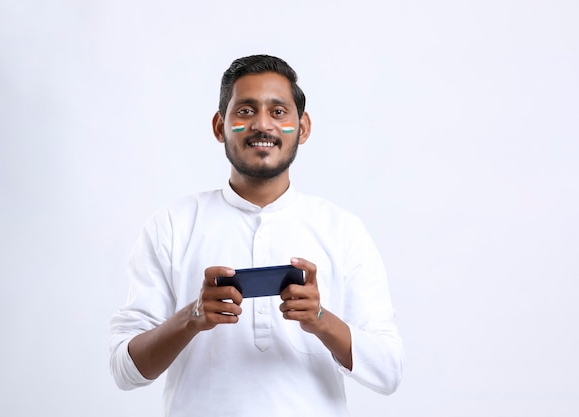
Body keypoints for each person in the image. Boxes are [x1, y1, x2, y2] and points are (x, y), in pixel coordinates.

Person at [109, 54, 403, 417]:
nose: (262, 124)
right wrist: (193, 318)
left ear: (303, 127)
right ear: (220, 126)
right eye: (245, 111)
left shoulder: (342, 230)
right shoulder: (171, 225)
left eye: (278, 112)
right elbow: (125, 371)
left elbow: (389, 371)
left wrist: (320, 319)